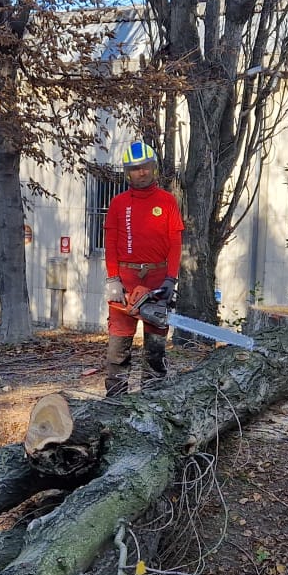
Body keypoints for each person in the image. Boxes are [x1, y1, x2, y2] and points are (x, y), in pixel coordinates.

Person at [102, 140, 183, 398]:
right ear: (128, 172)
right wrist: (113, 278)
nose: (142, 172)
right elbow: (111, 243)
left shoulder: (167, 201)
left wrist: (171, 278)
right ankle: (115, 398)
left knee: (156, 344)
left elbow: (175, 243)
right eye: (136, 168)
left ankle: (153, 396)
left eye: (146, 167)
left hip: (158, 276)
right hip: (125, 278)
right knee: (118, 344)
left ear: (153, 168)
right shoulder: (118, 203)